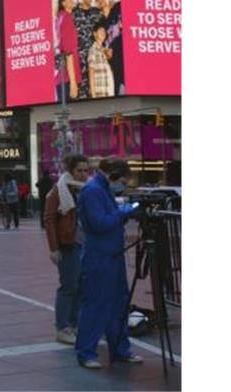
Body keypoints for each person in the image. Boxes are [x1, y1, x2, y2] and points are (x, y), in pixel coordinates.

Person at [74, 157, 143, 369]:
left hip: (112, 255)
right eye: (122, 179)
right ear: (112, 174)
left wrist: (122, 211)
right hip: (99, 257)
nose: (122, 184)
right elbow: (99, 223)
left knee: (118, 304)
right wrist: (125, 211)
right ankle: (86, 353)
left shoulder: (102, 188)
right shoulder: (93, 190)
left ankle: (120, 349)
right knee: (96, 304)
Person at [44, 154, 90, 345]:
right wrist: (54, 248)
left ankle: (75, 324)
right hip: (68, 244)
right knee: (69, 286)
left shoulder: (87, 189)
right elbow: (49, 219)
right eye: (79, 170)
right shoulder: (59, 190)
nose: (83, 174)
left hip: (85, 244)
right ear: (71, 171)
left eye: (86, 170)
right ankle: (62, 327)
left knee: (81, 286)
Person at [72, 0, 104, 92]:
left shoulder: (97, 13)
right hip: (80, 68)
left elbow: (103, 37)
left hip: (96, 66)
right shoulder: (73, 14)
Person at [55, 0, 81, 102]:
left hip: (61, 79)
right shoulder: (67, 18)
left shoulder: (59, 17)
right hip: (67, 79)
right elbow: (69, 53)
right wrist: (73, 82)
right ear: (63, 3)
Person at [87, 23, 115, 99]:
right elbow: (91, 73)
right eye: (101, 31)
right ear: (95, 34)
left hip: (108, 91)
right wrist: (93, 96)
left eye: (104, 31)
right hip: (100, 93)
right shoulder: (93, 50)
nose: (103, 33)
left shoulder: (105, 50)